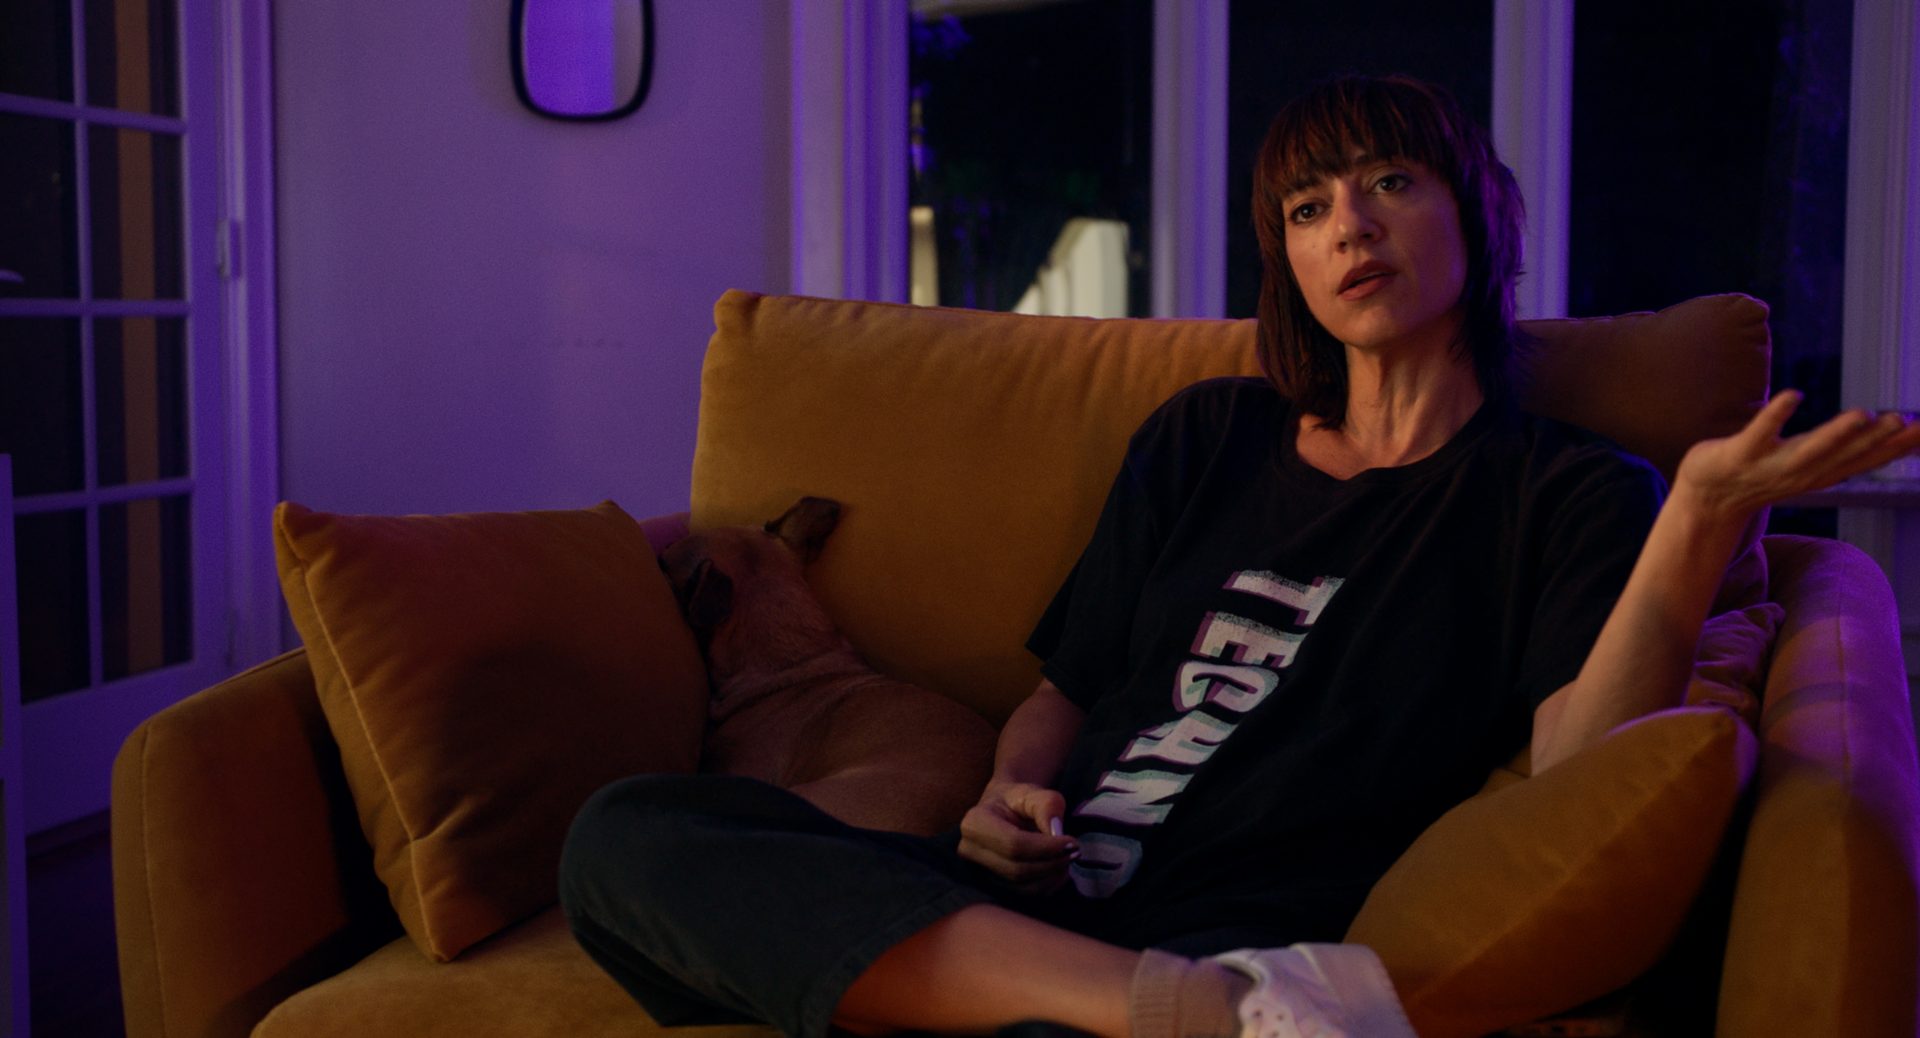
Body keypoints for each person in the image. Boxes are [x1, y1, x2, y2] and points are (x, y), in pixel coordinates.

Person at [559, 75, 1920, 1038]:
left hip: (1251, 921)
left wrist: (1698, 520)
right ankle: (1193, 1021)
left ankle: (1140, 1002)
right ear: (1289, 263)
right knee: (627, 834)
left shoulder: (1568, 495)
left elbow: (1582, 768)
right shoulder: (1206, 434)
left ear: (1476, 213)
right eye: (1308, 208)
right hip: (1030, 913)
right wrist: (1007, 794)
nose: (1351, 225)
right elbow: (1065, 689)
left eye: (1391, 181)